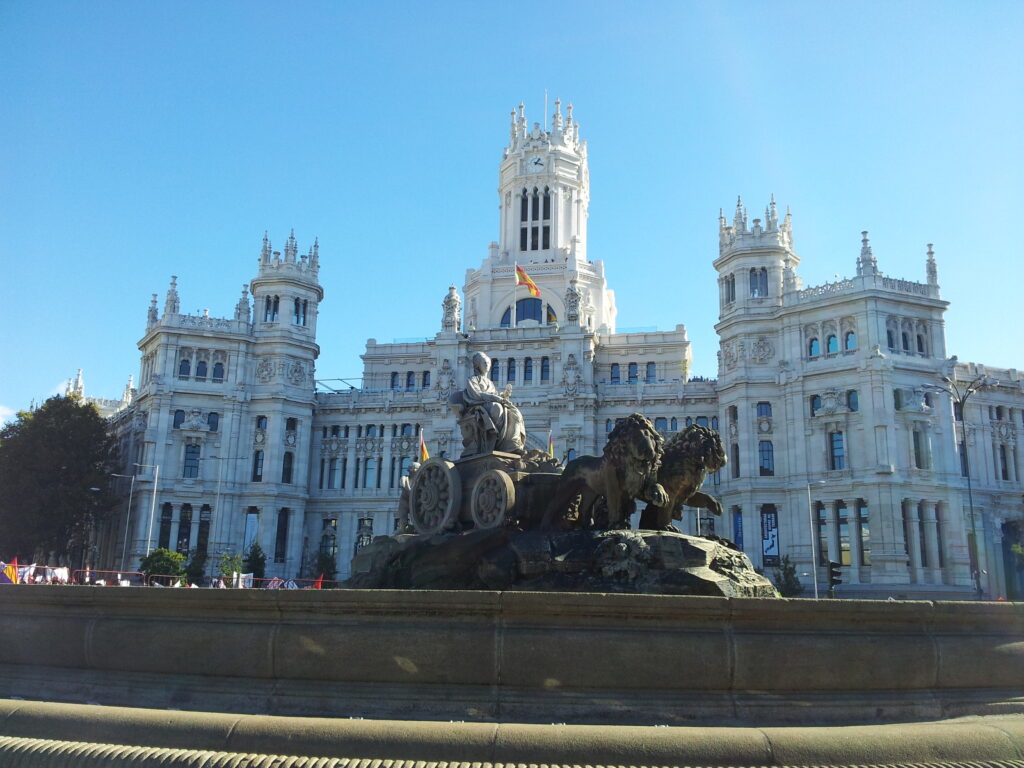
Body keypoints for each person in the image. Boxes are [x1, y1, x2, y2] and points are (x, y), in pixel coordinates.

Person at [454, 352, 526, 455]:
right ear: (478, 365)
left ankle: (511, 445)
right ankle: (495, 441)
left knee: (515, 413)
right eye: (484, 363)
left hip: (491, 405)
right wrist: (495, 398)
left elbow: (495, 394)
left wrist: (504, 395)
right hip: (478, 406)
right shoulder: (473, 380)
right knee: (497, 408)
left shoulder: (489, 382)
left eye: (488, 363)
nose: (487, 365)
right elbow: (477, 395)